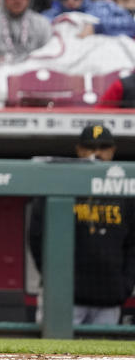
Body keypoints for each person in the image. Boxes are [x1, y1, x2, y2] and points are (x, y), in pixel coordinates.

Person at [29, 125, 135, 326]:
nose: (97, 153)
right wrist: (52, 278)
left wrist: (125, 285)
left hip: (109, 297)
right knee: (55, 353)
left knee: (103, 356)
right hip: (63, 297)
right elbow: (37, 236)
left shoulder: (126, 190)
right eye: (90, 147)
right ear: (79, 150)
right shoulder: (60, 183)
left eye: (103, 148)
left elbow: (132, 245)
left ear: (112, 151)